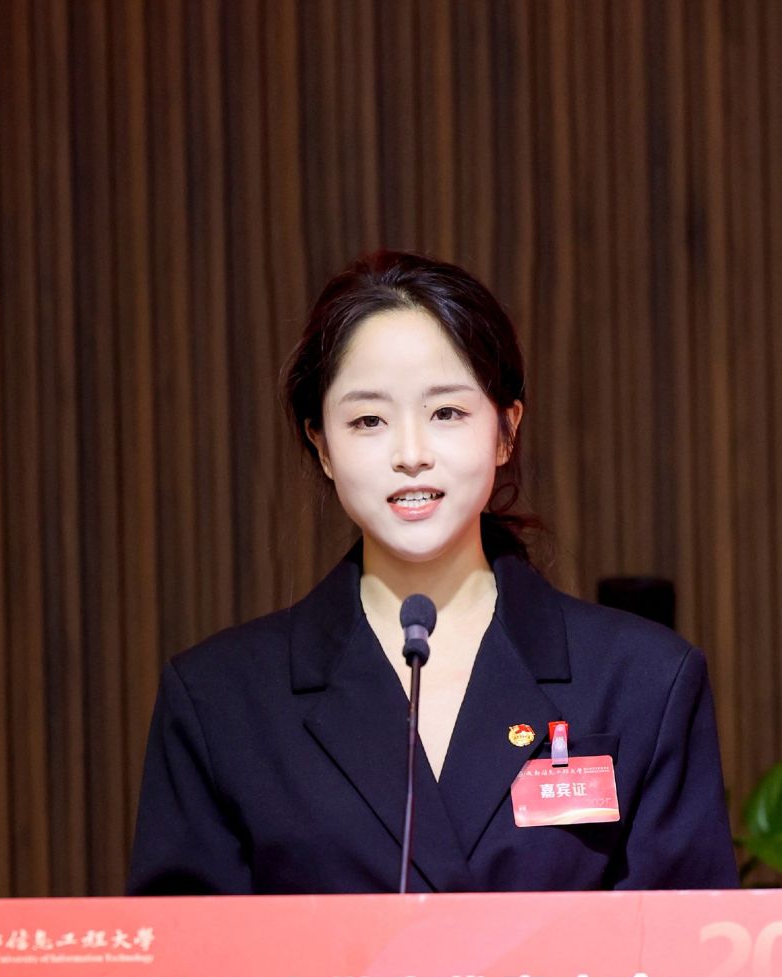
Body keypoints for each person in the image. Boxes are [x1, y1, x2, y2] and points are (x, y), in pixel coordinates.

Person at [127, 250, 737, 895]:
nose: (411, 454)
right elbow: (186, 952)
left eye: (446, 413)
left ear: (505, 431)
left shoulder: (644, 680)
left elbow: (683, 946)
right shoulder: (220, 699)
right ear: (322, 445)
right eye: (368, 420)